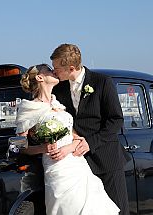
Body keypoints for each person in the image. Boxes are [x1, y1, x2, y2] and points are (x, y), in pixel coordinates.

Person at [15, 64, 120, 215]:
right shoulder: (29, 108)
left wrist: (71, 147)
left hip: (77, 164)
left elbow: (75, 136)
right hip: (56, 165)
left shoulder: (57, 103)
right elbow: (19, 145)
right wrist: (43, 148)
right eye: (49, 70)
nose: (54, 71)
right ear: (40, 77)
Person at [51, 43, 130, 215]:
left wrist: (90, 142)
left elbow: (116, 120)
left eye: (57, 68)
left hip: (106, 160)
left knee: (118, 211)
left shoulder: (102, 82)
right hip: (78, 165)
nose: (54, 71)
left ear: (71, 68)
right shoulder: (58, 88)